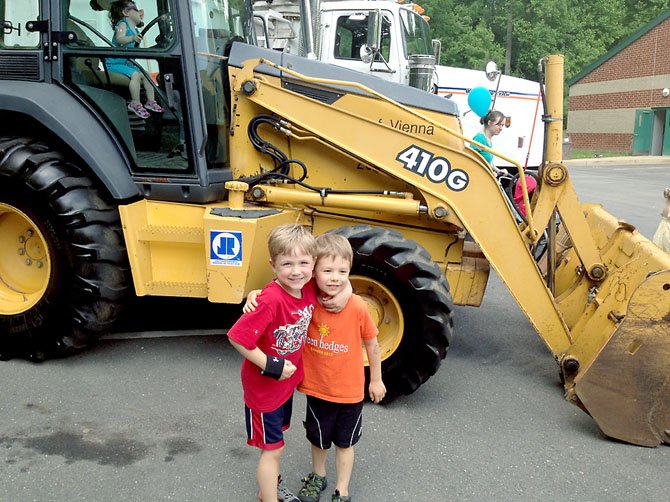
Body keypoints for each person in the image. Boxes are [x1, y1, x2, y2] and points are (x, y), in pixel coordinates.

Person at [245, 232, 386, 502]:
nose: (334, 277)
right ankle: (318, 476)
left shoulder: (356, 305)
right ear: (314, 271)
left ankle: (341, 489)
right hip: (317, 388)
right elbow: (279, 290)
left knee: (345, 443)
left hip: (350, 392)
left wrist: (375, 380)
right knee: (318, 439)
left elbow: (372, 343)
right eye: (327, 271)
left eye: (342, 271)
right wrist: (255, 293)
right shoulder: (307, 297)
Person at [228, 224, 350, 502]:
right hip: (264, 390)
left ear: (313, 264)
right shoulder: (270, 299)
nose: (296, 271)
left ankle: (268, 485)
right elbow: (237, 338)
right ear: (273, 265)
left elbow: (339, 277)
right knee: (272, 449)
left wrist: (344, 293)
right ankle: (269, 497)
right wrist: (272, 365)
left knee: (277, 441)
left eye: (303, 263)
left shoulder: (306, 287)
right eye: (287, 264)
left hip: (284, 386)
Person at [107, 1, 164, 119]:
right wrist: (132, 38)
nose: (140, 12)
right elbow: (120, 39)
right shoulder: (122, 25)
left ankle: (151, 101)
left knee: (146, 75)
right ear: (125, 12)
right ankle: (135, 103)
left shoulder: (136, 30)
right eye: (136, 9)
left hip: (126, 62)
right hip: (115, 62)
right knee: (136, 75)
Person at [470, 110, 508, 176]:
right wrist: (490, 172)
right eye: (499, 125)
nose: (501, 128)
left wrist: (498, 171)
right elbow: (472, 160)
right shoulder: (480, 138)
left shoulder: (488, 140)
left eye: (502, 125)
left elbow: (488, 161)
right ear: (490, 123)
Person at [652, 187, 670, 253]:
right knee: (665, 242)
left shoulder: (667, 206)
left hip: (663, 226)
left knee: (660, 242)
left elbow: (663, 214)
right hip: (666, 227)